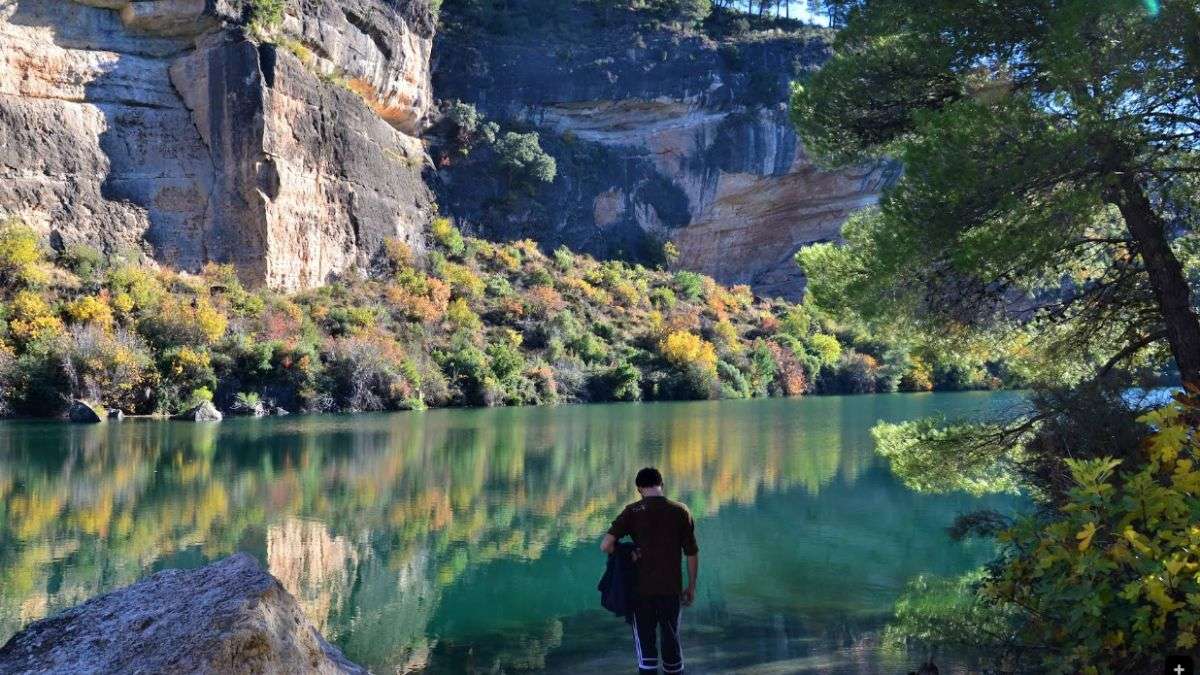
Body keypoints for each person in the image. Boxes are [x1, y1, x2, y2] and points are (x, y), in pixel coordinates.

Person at [600, 467, 699, 674]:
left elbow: (606, 545)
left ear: (639, 489)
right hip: (671, 589)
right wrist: (691, 586)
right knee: (672, 645)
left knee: (646, 653)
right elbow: (691, 553)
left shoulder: (632, 511)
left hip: (640, 591)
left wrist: (628, 552)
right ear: (661, 484)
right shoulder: (681, 511)